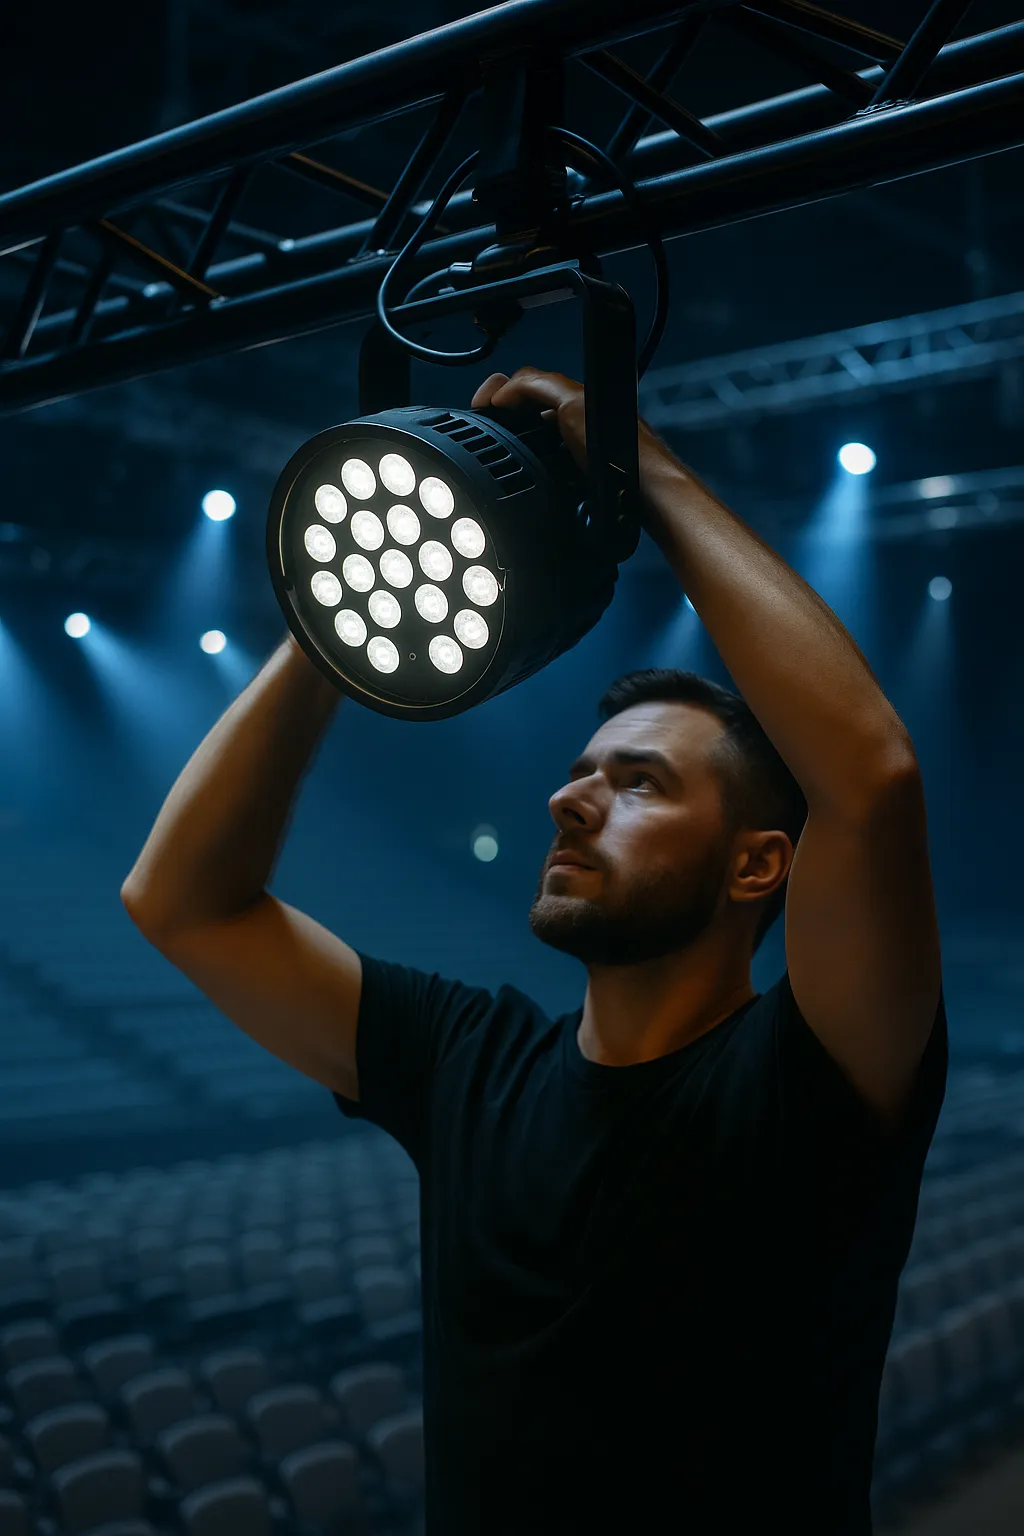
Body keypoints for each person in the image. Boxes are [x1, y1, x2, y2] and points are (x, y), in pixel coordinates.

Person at [121, 367, 946, 1535]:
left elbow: (869, 779)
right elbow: (180, 900)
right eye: (576, 773)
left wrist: (636, 464)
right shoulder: (471, 1058)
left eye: (639, 782)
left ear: (759, 866)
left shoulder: (817, 1073)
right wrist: (338, 616)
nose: (570, 801)